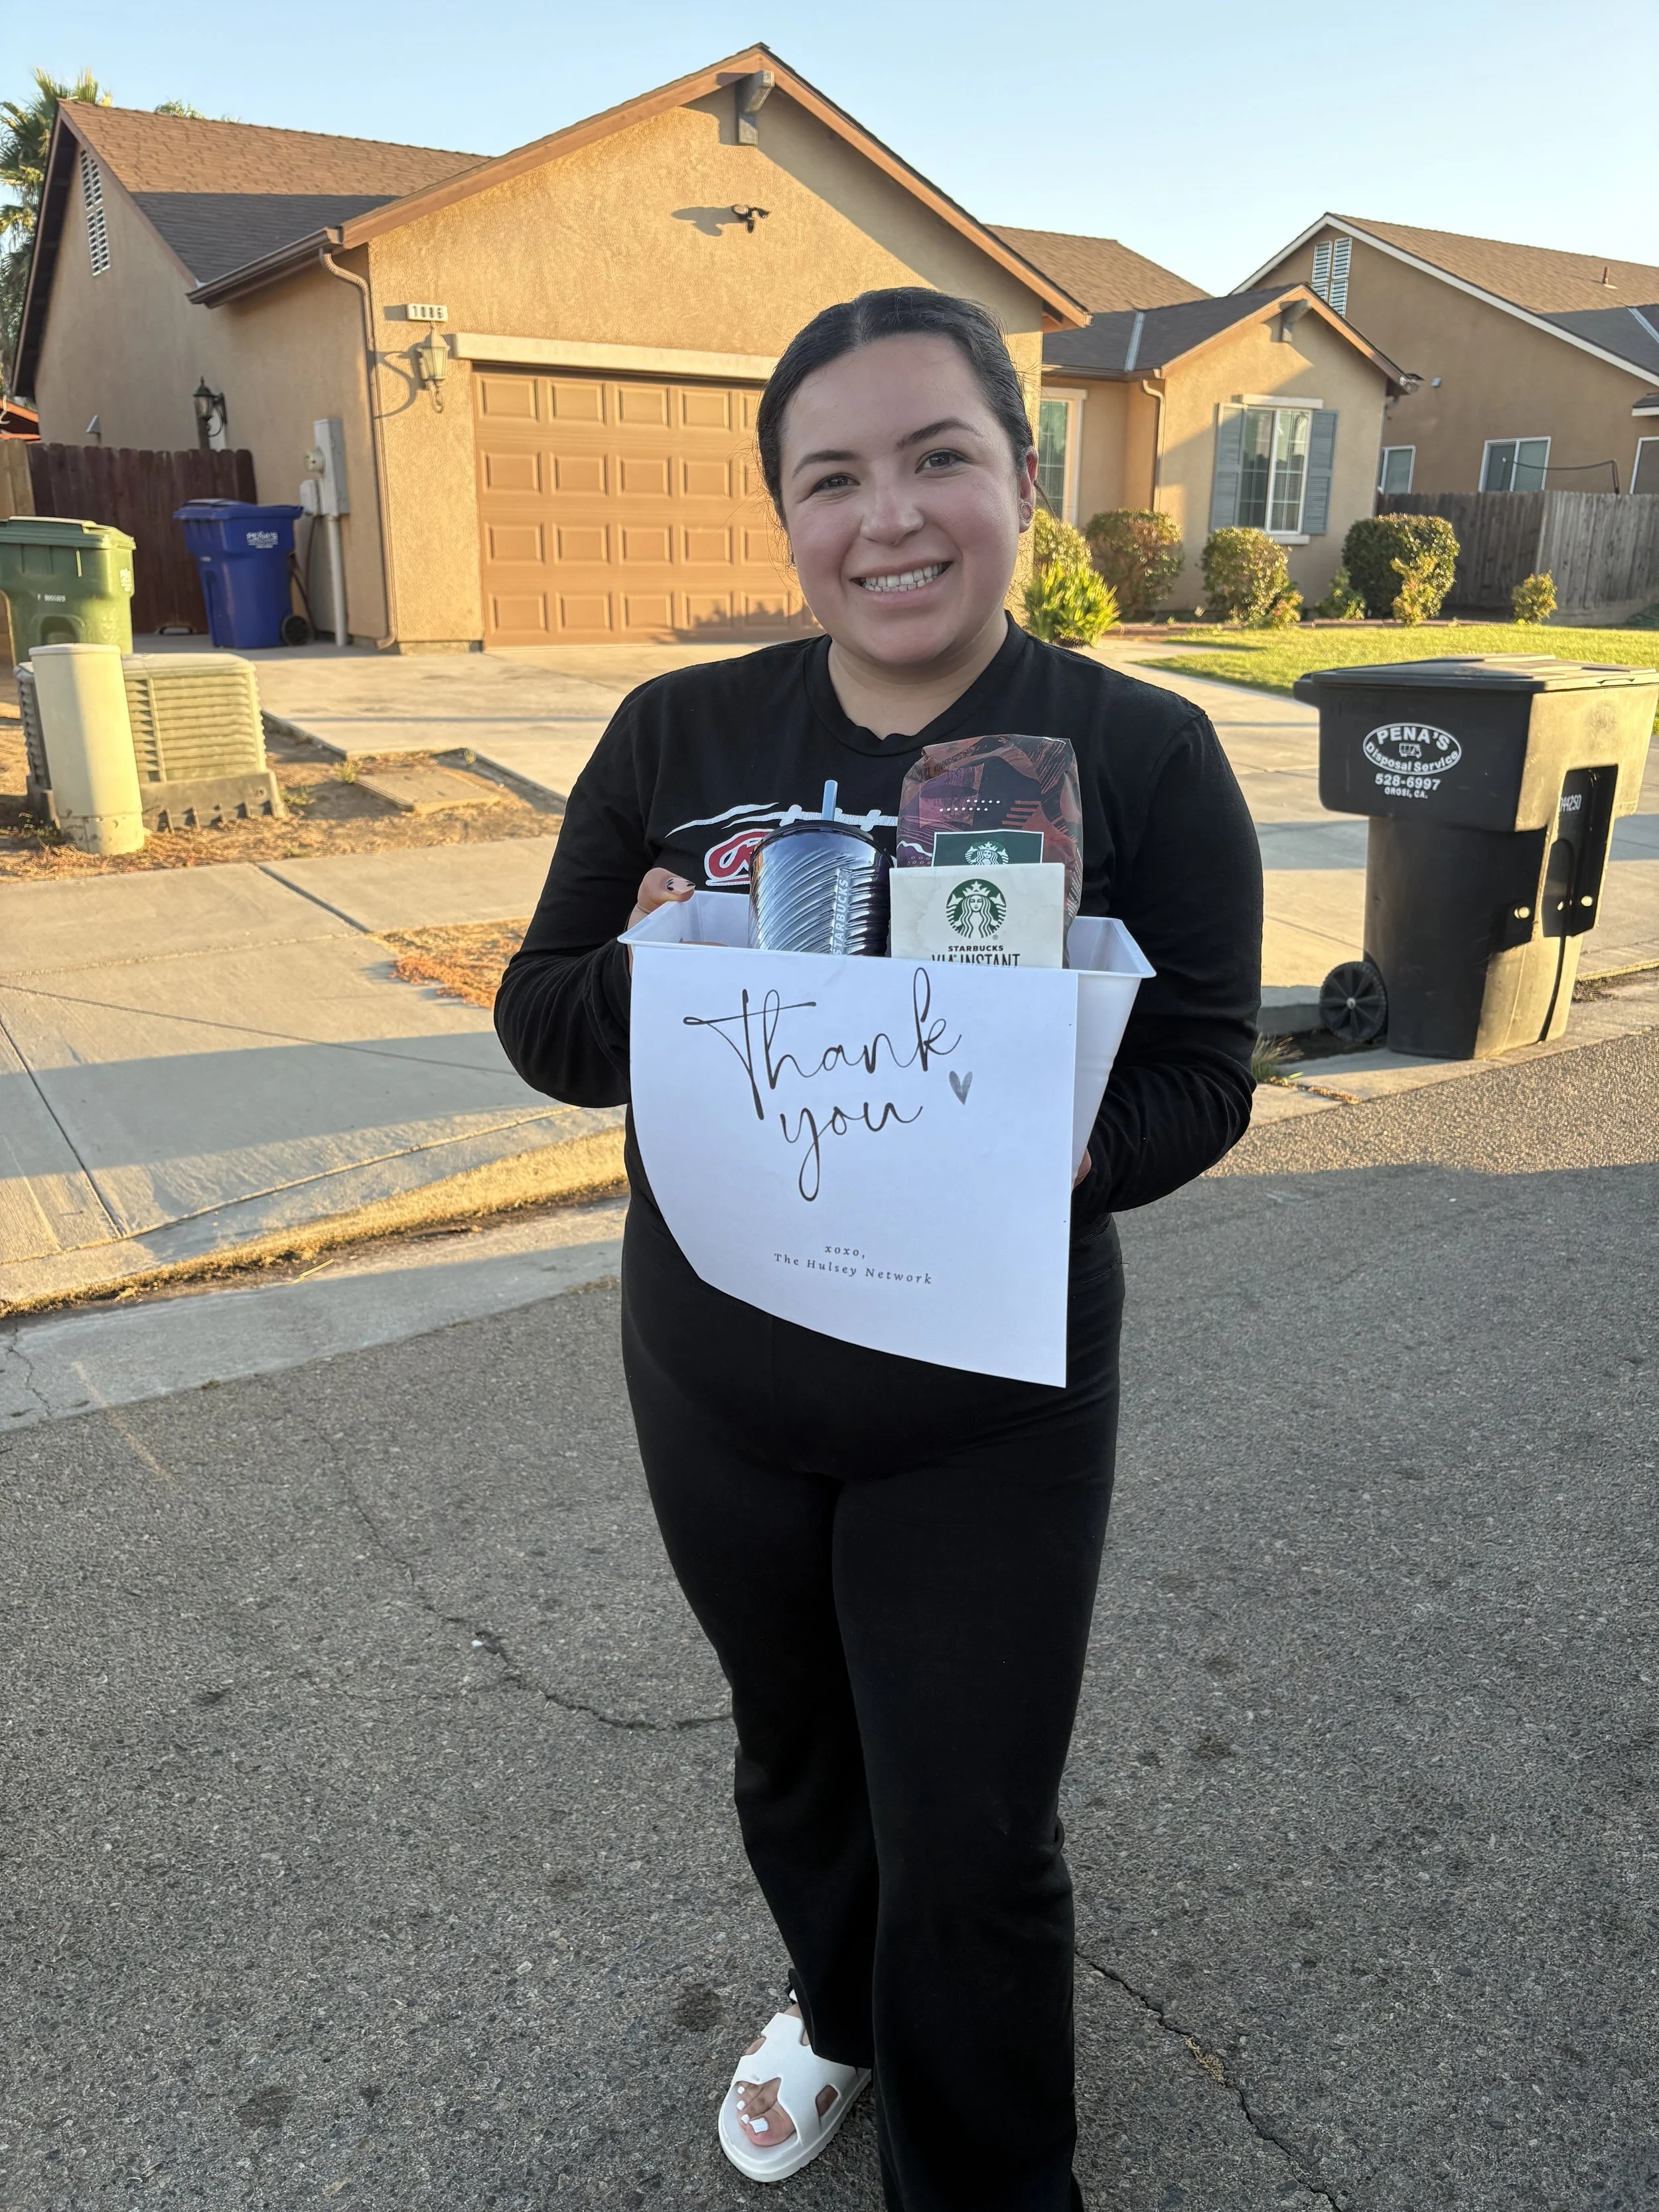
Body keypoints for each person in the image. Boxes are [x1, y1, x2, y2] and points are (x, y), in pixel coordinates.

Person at [495, 287, 1262, 2211]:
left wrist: (1078, 1143)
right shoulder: (678, 727)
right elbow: (545, 1026)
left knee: (974, 1832)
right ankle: (840, 2016)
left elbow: (1205, 1073)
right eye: (831, 478)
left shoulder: (1140, 752)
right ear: (786, 519)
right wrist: (655, 961)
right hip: (715, 1380)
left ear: (1023, 478)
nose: (890, 518)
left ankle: (988, 2175)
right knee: (795, 1758)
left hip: (985, 1397)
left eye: (938, 458)